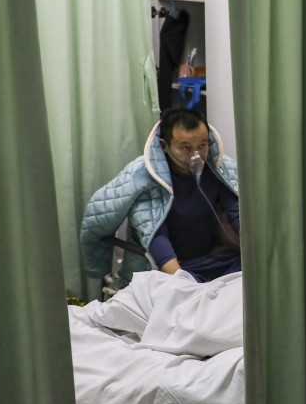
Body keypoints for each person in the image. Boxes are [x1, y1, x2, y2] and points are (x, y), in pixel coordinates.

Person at [80, 108, 241, 283]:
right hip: (166, 266)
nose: (197, 155)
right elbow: (156, 235)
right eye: (185, 147)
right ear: (164, 146)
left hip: (209, 259)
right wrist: (182, 281)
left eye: (202, 145)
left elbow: (236, 210)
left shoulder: (217, 169)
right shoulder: (146, 177)